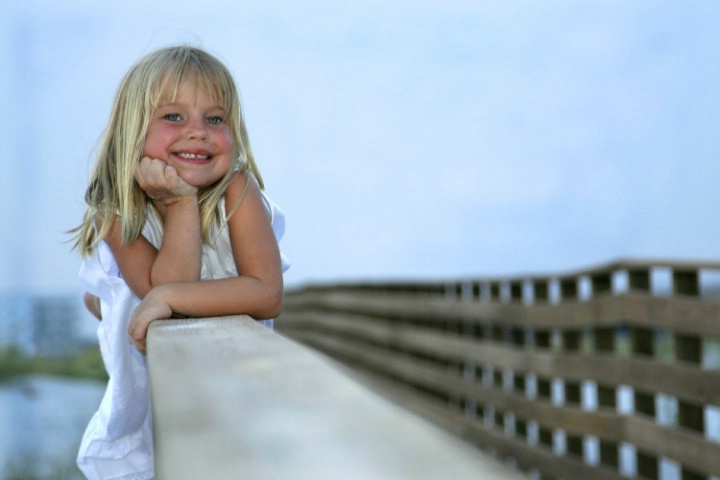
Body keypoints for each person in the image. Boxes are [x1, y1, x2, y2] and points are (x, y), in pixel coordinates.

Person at [70, 45, 289, 480]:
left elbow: (266, 293)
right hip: (151, 404)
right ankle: (103, 300)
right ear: (134, 128)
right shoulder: (116, 211)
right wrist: (180, 205)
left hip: (235, 405)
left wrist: (166, 295)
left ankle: (103, 299)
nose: (198, 132)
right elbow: (167, 284)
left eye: (215, 119)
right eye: (173, 117)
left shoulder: (238, 192)